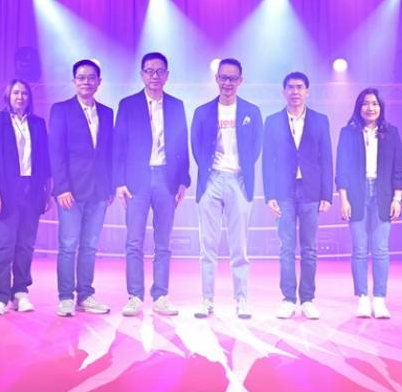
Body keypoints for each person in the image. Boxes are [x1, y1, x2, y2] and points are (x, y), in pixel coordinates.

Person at [113, 52, 190, 317]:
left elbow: (182, 145)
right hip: (137, 181)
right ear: (142, 75)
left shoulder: (177, 106)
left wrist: (183, 180)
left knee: (163, 242)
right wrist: (119, 182)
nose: (154, 76)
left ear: (167, 75)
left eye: (159, 71)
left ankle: (161, 295)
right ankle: (135, 296)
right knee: (134, 241)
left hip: (166, 180)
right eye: (149, 71)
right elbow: (118, 145)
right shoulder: (128, 105)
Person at [190, 58, 262, 319]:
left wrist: (241, 173)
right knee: (207, 247)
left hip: (238, 181)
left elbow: (256, 147)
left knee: (239, 247)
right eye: (223, 77)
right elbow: (196, 146)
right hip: (210, 181)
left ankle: (241, 300)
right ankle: (206, 300)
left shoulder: (252, 111)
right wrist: (209, 173)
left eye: (233, 78)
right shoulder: (202, 112)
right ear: (217, 79)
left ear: (240, 81)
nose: (227, 82)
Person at [262, 72, 333, 320]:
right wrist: (269, 194)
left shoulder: (320, 120)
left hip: (311, 191)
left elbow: (327, 159)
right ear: (284, 92)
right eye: (290, 87)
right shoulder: (272, 121)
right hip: (283, 191)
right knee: (286, 247)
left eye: (300, 87)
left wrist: (327, 194)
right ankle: (288, 299)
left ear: (307, 91)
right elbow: (267, 161)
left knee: (309, 248)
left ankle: (308, 299)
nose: (295, 91)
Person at [0, 79, 52, 315]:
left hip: (31, 191)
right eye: (16, 93)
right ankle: (0, 295)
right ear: (8, 96)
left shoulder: (38, 123)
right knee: (3, 245)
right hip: (2, 191)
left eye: (24, 93)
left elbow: (45, 161)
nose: (20, 97)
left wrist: (47, 191)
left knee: (25, 244)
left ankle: (20, 292)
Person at [49, 59, 114, 317]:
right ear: (74, 81)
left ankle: (85, 295)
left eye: (91, 78)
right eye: (81, 77)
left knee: (90, 245)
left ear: (99, 82)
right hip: (71, 191)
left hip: (99, 191)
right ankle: (65, 296)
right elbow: (56, 152)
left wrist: (110, 186)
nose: (86, 82)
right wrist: (61, 187)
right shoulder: (61, 110)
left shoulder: (107, 112)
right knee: (68, 245)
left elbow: (109, 153)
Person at [335, 88, 402, 319]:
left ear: (381, 107)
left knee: (381, 249)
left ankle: (380, 299)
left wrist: (397, 198)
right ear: (359, 107)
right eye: (365, 103)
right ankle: (363, 298)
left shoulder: (391, 133)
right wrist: (343, 199)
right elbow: (341, 169)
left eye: (374, 103)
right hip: (357, 194)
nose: (370, 108)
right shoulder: (348, 133)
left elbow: (398, 169)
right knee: (360, 249)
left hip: (383, 194)